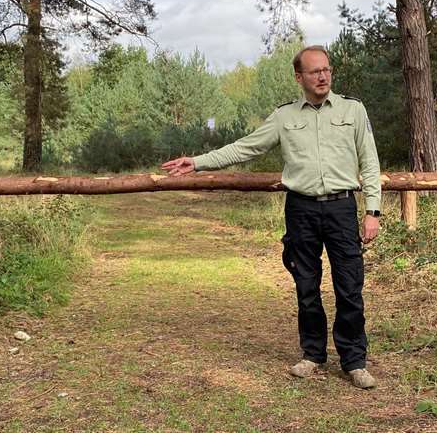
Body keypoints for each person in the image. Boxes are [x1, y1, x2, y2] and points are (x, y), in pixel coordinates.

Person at [161, 45, 381, 389]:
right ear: (299, 77)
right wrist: (198, 162)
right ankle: (313, 354)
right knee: (306, 286)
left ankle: (354, 361)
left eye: (326, 69)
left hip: (341, 208)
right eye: (314, 71)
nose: (322, 76)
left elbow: (369, 162)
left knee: (349, 287)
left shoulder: (353, 110)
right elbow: (245, 147)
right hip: (301, 210)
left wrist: (372, 211)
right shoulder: (284, 117)